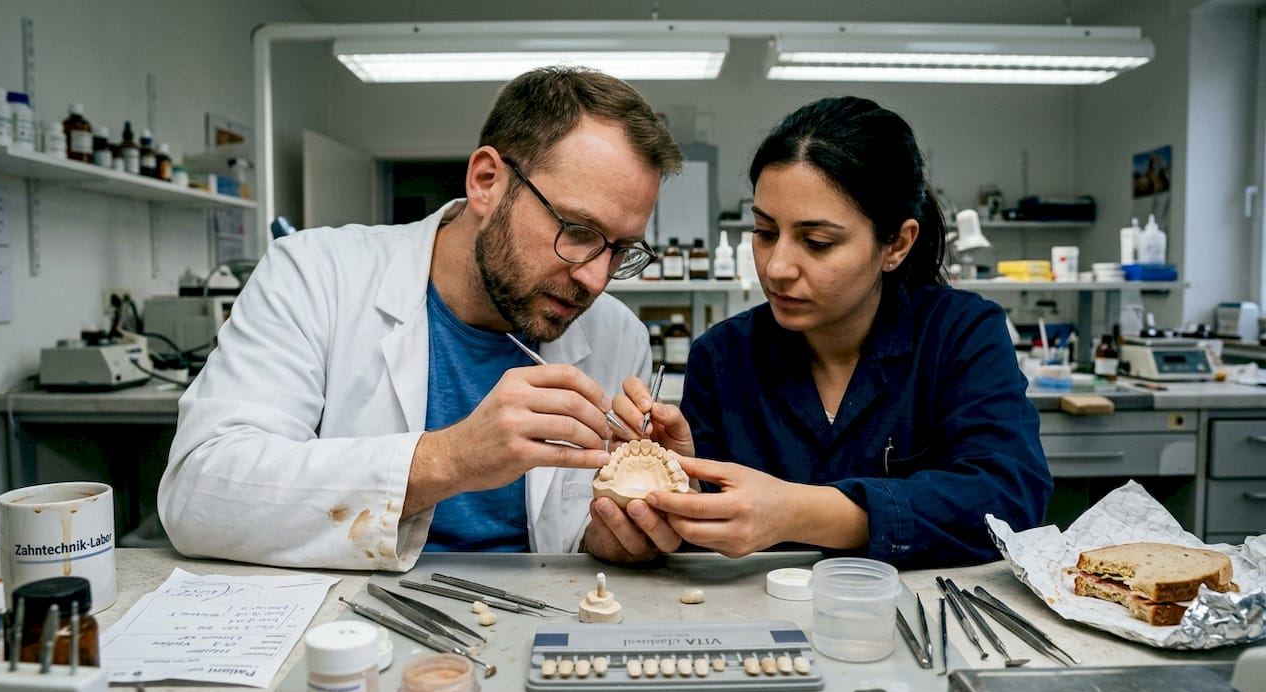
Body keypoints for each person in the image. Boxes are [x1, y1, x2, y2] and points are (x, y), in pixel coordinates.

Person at [158, 67, 683, 570]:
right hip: (349, 619)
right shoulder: (314, 274)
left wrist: (617, 534)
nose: (596, 279)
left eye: (620, 250)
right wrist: (450, 459)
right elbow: (200, 494)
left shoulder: (617, 334)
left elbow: (573, 534)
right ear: (486, 181)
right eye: (577, 230)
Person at [606, 96, 1052, 568]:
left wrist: (800, 513)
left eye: (817, 243)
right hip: (761, 626)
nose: (776, 268)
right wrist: (678, 490)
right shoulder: (723, 356)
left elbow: (1009, 499)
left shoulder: (958, 334)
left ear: (896, 245)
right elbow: (700, 550)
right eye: (764, 232)